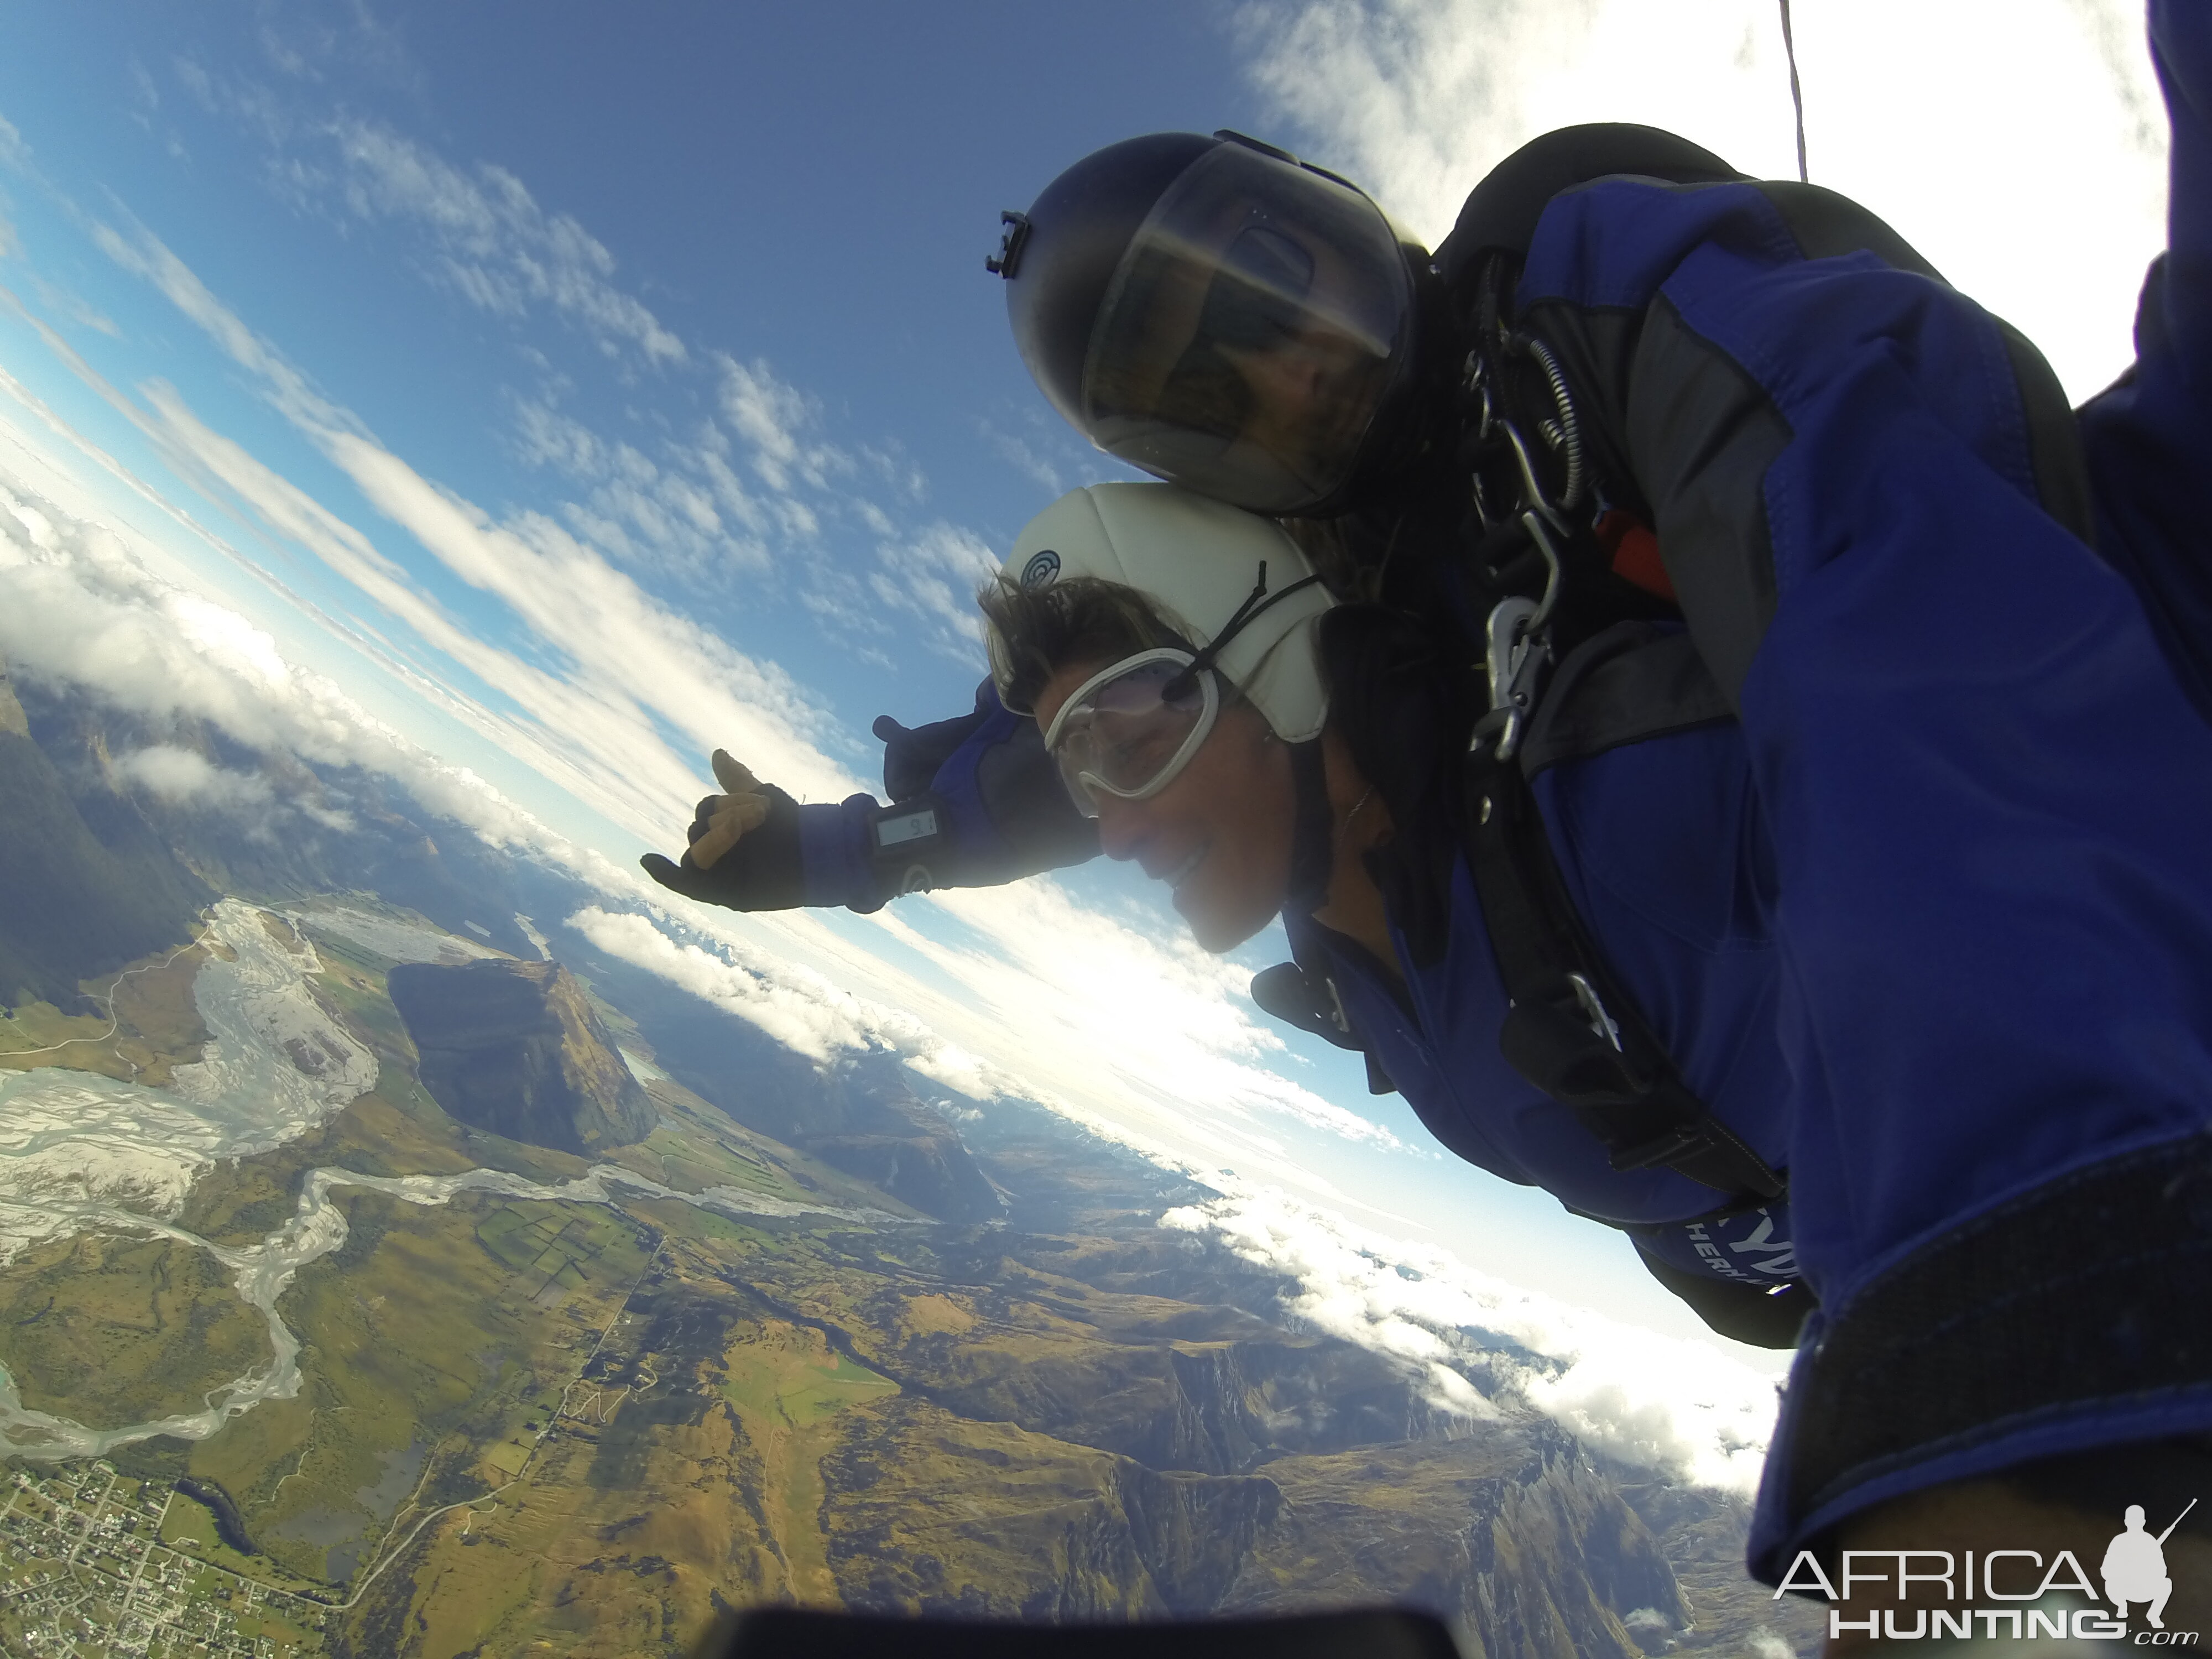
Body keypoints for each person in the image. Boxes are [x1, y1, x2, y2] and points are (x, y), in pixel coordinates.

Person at [648, 0, 2212, 1615]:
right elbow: (1085, 744)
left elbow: (1896, 630)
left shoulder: (1600, 322)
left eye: (1271, 278)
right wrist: (833, 851)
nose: (1293, 361)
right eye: (1209, 388)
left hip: (2052, 1018)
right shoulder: (1300, 735)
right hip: (1787, 1221)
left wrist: (2045, 1299)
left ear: (1333, 208)